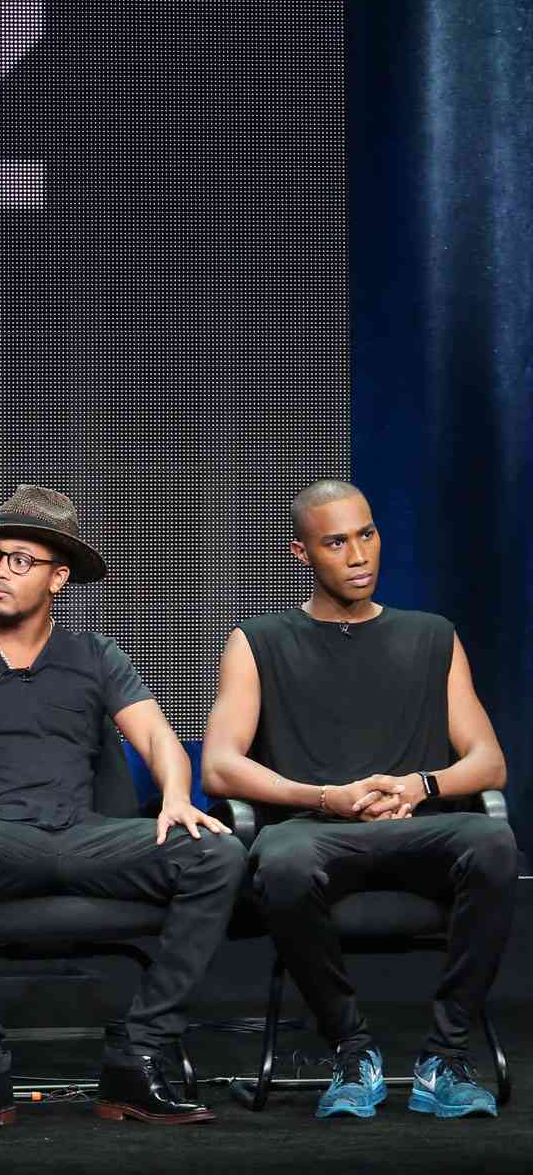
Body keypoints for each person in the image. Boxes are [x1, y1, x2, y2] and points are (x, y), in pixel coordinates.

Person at [0, 485, 243, 1130]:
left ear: (58, 576)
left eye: (21, 559)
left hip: (84, 838)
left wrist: (178, 797)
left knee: (216, 850)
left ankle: (139, 1054)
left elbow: (160, 738)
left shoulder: (95, 655)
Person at [201, 479, 514, 1120]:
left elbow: (490, 761)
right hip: (316, 830)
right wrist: (324, 797)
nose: (358, 555)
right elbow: (219, 767)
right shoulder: (258, 642)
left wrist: (420, 784)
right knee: (281, 859)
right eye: (336, 542)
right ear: (301, 553)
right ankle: (351, 1048)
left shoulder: (432, 636)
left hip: (419, 826)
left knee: (493, 840)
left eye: (366, 535)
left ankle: (444, 1056)